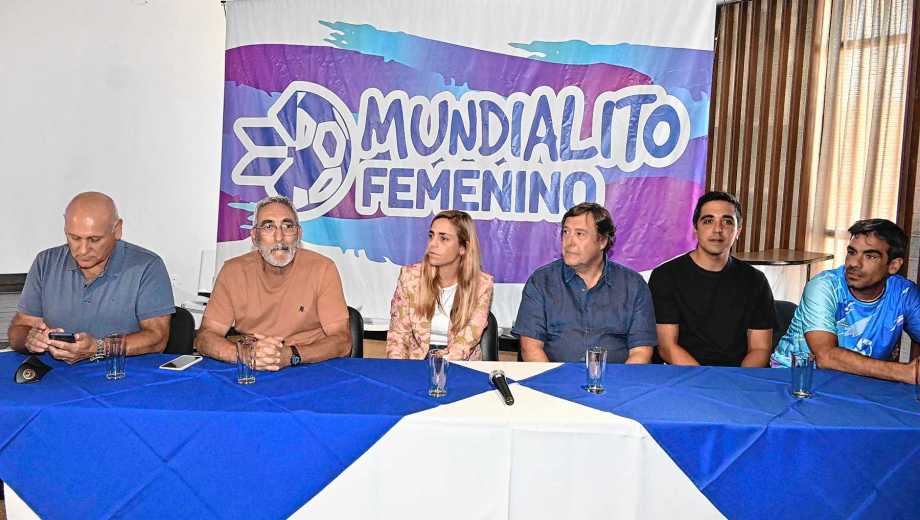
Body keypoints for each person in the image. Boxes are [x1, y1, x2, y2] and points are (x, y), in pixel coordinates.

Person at [8, 192, 174, 362]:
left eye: (94, 239)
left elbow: (157, 338)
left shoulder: (147, 266)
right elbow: (20, 328)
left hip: (122, 375)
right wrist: (30, 338)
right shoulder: (46, 262)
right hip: (58, 376)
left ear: (117, 230)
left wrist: (98, 348)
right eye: (74, 238)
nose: (83, 250)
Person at [195, 195, 351, 369]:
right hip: (252, 368)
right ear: (255, 236)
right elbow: (205, 337)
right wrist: (244, 354)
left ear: (298, 233)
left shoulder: (323, 269)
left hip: (308, 366)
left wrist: (292, 355)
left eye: (288, 226)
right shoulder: (232, 271)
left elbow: (342, 342)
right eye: (269, 226)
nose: (279, 238)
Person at [772, 219, 920, 383]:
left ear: (893, 265)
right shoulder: (824, 286)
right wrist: (904, 372)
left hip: (858, 385)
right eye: (852, 252)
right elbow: (826, 356)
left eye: (870, 256)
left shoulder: (905, 293)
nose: (853, 263)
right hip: (793, 381)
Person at [512, 203, 656, 363]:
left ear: (602, 241)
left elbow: (641, 352)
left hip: (616, 382)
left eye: (580, 234)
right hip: (554, 381)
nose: (569, 242)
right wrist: (552, 385)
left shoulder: (633, 285)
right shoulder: (541, 281)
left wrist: (618, 386)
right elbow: (530, 348)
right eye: (566, 232)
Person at [649, 191, 775, 366]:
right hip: (685, 376)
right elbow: (667, 347)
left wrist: (737, 384)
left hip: (737, 378)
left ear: (738, 231)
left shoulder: (755, 280)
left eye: (727, 221)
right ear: (695, 228)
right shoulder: (665, 276)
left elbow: (760, 349)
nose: (717, 229)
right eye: (708, 220)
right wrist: (706, 382)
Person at [386, 210, 494, 360]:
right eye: (431, 236)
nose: (433, 244)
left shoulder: (482, 284)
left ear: (463, 248)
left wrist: (440, 364)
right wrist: (399, 372)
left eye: (443, 238)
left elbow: (466, 340)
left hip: (460, 364)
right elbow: (398, 336)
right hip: (415, 364)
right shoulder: (410, 277)